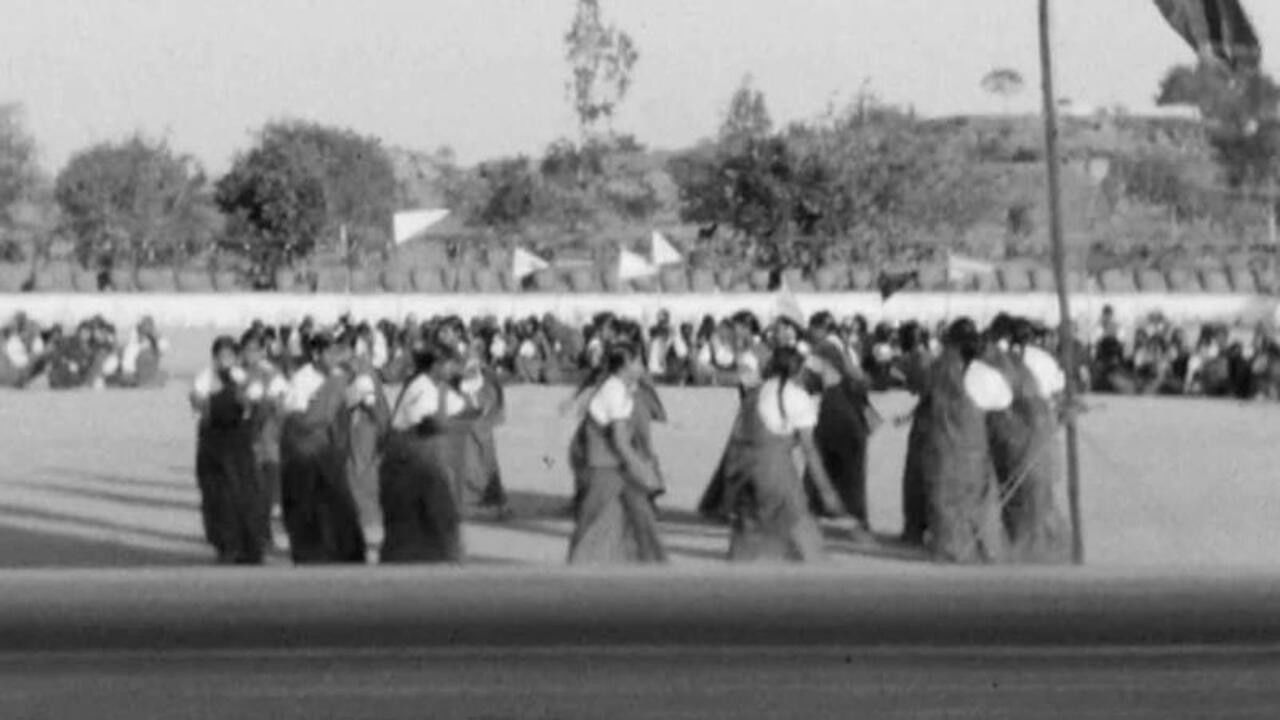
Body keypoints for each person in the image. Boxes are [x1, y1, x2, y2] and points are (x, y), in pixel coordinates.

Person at [719, 346, 848, 563]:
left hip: (743, 471)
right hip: (776, 475)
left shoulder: (756, 392)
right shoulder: (797, 397)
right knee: (808, 546)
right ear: (798, 371)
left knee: (743, 546)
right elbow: (810, 451)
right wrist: (827, 492)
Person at [565, 342, 667, 565]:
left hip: (612, 467)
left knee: (636, 520)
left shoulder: (618, 386)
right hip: (606, 469)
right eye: (638, 361)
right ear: (624, 365)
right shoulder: (614, 391)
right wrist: (643, 471)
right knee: (598, 526)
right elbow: (620, 441)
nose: (642, 366)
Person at [920, 318, 1010, 565]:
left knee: (946, 508)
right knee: (978, 506)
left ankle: (952, 551)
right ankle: (979, 553)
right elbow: (1003, 404)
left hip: (942, 452)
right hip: (972, 452)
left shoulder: (937, 369)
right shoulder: (984, 375)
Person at [378, 343, 476, 564]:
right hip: (409, 459)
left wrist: (463, 385)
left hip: (423, 458)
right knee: (428, 514)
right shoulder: (421, 387)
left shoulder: (439, 386)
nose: (453, 368)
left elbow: (466, 409)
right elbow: (431, 423)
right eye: (449, 364)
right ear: (436, 366)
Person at [278, 331, 367, 565]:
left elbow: (345, 407)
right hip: (306, 452)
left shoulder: (337, 376)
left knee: (338, 505)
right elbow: (300, 420)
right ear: (316, 354)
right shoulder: (302, 380)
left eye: (336, 353)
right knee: (308, 507)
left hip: (329, 450)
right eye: (329, 353)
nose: (334, 358)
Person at [189, 336, 266, 565]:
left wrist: (242, 392)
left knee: (244, 496)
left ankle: (249, 547)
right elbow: (198, 406)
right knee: (216, 497)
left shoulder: (244, 377)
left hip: (239, 445)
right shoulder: (205, 378)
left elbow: (255, 403)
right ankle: (225, 545)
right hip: (213, 445)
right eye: (221, 356)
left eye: (230, 356)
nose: (225, 361)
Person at [803, 341, 877, 542]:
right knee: (848, 481)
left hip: (840, 429)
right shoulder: (847, 385)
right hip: (850, 434)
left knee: (825, 475)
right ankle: (854, 525)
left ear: (826, 363)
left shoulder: (836, 391)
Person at [240, 330, 289, 548]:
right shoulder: (237, 373)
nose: (249, 354)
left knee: (265, 490)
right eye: (246, 349)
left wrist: (265, 405)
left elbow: (283, 407)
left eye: (254, 350)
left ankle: (263, 532)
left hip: (267, 440)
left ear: (262, 351)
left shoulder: (273, 374)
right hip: (243, 438)